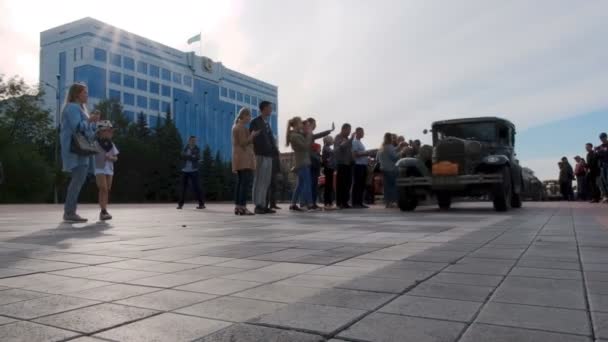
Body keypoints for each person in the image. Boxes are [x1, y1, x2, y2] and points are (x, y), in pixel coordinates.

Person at [60, 83, 100, 223]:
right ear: (77, 94)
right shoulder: (72, 107)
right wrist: (89, 120)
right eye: (85, 93)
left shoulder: (81, 109)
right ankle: (69, 212)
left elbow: (89, 132)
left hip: (82, 150)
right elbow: (77, 127)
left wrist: (93, 123)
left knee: (78, 180)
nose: (87, 95)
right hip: (75, 149)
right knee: (77, 181)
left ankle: (70, 212)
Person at [249, 101, 277, 214]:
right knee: (259, 179)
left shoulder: (267, 123)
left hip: (269, 155)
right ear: (264, 108)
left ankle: (264, 204)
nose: (271, 110)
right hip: (260, 154)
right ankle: (257, 205)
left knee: (266, 181)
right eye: (270, 108)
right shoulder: (255, 122)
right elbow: (253, 138)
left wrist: (274, 150)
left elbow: (270, 139)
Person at [232, 108, 259, 215]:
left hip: (239, 158)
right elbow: (243, 143)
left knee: (240, 183)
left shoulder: (236, 126)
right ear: (244, 115)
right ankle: (242, 207)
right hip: (244, 159)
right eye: (249, 116)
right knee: (244, 183)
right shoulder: (241, 127)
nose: (250, 118)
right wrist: (252, 136)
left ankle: (238, 207)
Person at [286, 117, 316, 211]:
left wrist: (308, 132)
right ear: (295, 124)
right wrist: (309, 134)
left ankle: (293, 204)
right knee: (307, 183)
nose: (301, 125)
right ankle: (310, 204)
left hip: (302, 161)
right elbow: (305, 146)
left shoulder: (297, 134)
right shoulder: (295, 136)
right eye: (300, 123)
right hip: (302, 162)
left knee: (300, 184)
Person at [306, 118, 335, 209]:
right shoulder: (308, 134)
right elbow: (318, 136)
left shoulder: (310, 134)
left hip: (314, 162)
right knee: (311, 183)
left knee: (314, 183)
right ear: (309, 124)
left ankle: (313, 203)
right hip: (311, 161)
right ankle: (310, 203)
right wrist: (329, 131)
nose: (315, 125)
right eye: (314, 124)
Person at [94, 121, 119, 221]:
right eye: (109, 131)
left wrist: (111, 158)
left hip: (109, 169)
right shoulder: (95, 144)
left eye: (111, 131)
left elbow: (116, 158)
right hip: (99, 167)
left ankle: (103, 211)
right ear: (102, 132)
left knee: (107, 189)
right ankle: (103, 211)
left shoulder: (111, 145)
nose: (111, 133)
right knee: (103, 188)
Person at [177, 136, 205, 210]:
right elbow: (182, 156)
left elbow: (197, 157)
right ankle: (180, 205)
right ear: (189, 141)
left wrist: (188, 156)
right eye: (192, 140)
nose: (193, 142)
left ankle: (201, 204)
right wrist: (191, 156)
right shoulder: (185, 148)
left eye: (195, 140)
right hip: (184, 171)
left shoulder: (197, 149)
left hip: (194, 171)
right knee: (183, 188)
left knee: (197, 188)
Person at [334, 124, 355, 209]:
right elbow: (342, 146)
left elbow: (349, 150)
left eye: (350, 130)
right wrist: (350, 139)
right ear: (343, 129)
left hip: (348, 163)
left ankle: (345, 201)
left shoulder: (347, 139)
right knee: (341, 184)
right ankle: (339, 202)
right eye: (348, 130)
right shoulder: (338, 137)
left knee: (348, 183)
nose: (349, 132)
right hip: (341, 163)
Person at [377, 132, 399, 208]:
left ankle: (387, 203)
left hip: (383, 169)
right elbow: (395, 157)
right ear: (390, 139)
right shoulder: (390, 146)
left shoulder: (381, 147)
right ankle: (393, 202)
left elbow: (377, 159)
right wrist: (402, 152)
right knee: (393, 186)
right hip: (391, 169)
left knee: (386, 187)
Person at [351, 127, 370, 208]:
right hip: (358, 165)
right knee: (357, 184)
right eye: (362, 132)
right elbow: (355, 154)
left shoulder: (360, 142)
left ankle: (360, 202)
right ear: (357, 132)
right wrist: (366, 153)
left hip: (363, 165)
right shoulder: (355, 142)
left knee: (362, 184)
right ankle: (355, 202)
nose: (363, 133)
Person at [266, 144, 282, 211]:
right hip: (270, 169)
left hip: (274, 169)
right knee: (269, 187)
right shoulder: (270, 150)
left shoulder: (275, 151)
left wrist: (278, 170)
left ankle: (273, 204)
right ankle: (266, 204)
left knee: (274, 187)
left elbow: (277, 160)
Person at [321, 135, 336, 209]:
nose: (333, 140)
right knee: (328, 186)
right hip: (328, 168)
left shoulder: (328, 148)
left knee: (329, 186)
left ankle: (329, 202)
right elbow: (326, 158)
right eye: (331, 139)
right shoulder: (326, 148)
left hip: (330, 167)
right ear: (328, 141)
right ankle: (327, 202)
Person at [597, 132, 608, 203]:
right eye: (601, 138)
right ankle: (605, 196)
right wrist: (597, 151)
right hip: (602, 165)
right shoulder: (600, 146)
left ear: (606, 137)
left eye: (603, 138)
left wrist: (604, 150)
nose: (602, 139)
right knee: (603, 181)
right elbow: (598, 156)